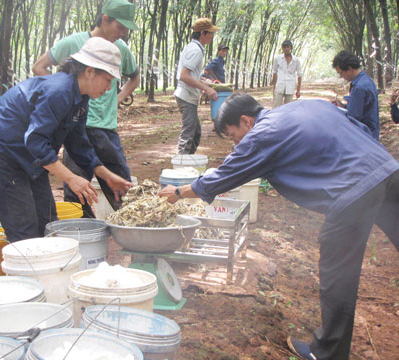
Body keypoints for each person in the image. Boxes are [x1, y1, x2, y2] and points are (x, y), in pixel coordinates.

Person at [159, 93, 399, 360]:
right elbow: (359, 126)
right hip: (387, 169)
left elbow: (225, 175)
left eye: (232, 135)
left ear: (246, 120)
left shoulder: (262, 134)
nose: (235, 143)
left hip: (354, 191)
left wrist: (179, 192)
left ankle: (329, 352)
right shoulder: (306, 105)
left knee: (338, 274)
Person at [0, 38, 133, 242]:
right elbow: (35, 140)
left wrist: (105, 174)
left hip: (30, 154)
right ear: (89, 71)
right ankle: (28, 269)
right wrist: (70, 177)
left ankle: (47, 267)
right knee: (24, 227)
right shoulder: (58, 91)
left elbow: (77, 142)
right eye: (108, 79)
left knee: (48, 221)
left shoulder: (81, 98)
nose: (110, 88)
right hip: (0, 149)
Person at [32, 0, 139, 214]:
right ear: (105, 19)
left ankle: (133, 230)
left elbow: (134, 78)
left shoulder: (120, 49)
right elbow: (39, 66)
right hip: (73, 125)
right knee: (77, 191)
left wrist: (116, 100)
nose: (122, 34)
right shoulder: (74, 42)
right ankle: (84, 233)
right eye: (120, 27)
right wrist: (64, 94)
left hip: (104, 126)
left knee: (120, 183)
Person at [174, 18, 219, 154]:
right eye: (210, 33)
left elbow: (190, 75)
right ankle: (181, 167)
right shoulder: (196, 51)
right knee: (189, 134)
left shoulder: (193, 47)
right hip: (186, 97)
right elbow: (184, 76)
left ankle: (188, 161)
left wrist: (204, 81)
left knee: (196, 133)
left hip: (188, 95)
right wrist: (206, 88)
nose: (212, 36)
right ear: (202, 33)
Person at [331, 50, 379, 140]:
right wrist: (343, 106)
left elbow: (353, 117)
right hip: (370, 133)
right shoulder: (366, 80)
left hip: (364, 136)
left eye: (341, 73)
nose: (341, 77)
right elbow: (361, 109)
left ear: (350, 69)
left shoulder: (359, 88)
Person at [271, 40, 302, 108]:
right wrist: (274, 88)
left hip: (290, 87)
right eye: (284, 47)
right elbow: (274, 73)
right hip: (279, 86)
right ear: (282, 48)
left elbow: (299, 76)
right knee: (276, 107)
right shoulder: (277, 58)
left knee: (288, 109)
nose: (286, 49)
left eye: (288, 46)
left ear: (290, 48)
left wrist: (298, 91)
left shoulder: (296, 60)